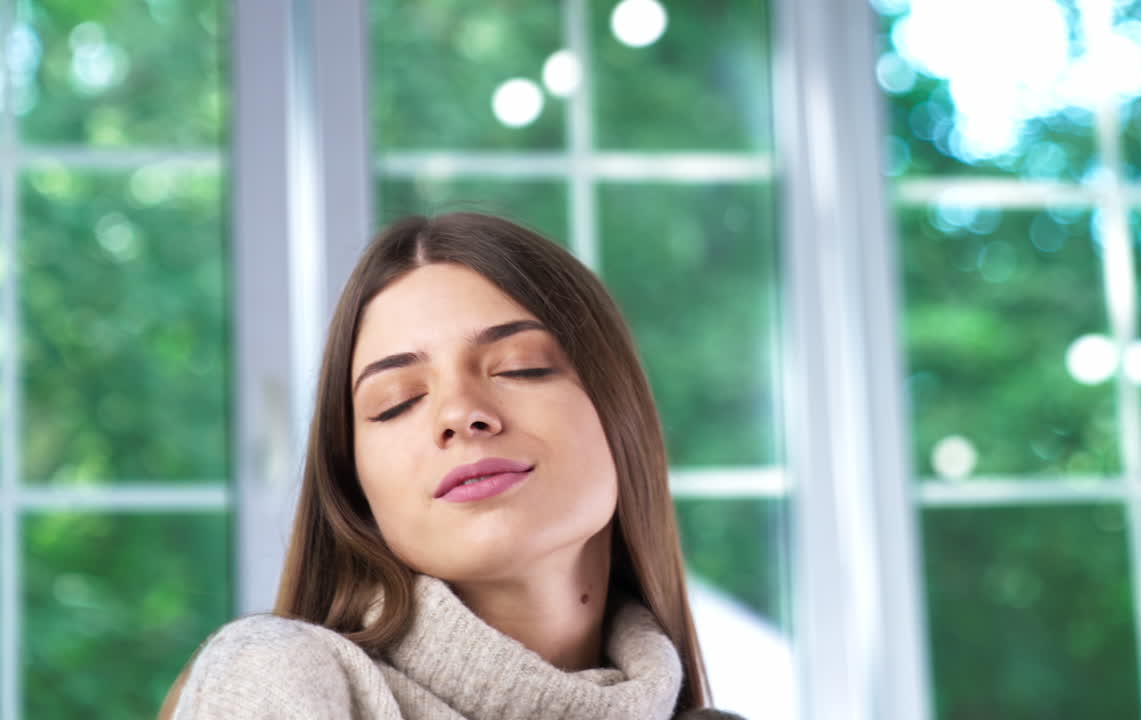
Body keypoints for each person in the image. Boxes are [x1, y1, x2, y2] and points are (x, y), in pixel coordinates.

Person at [160, 212, 747, 719]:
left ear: (623, 414)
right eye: (398, 401)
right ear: (354, 487)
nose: (461, 413)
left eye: (520, 367)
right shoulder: (279, 678)